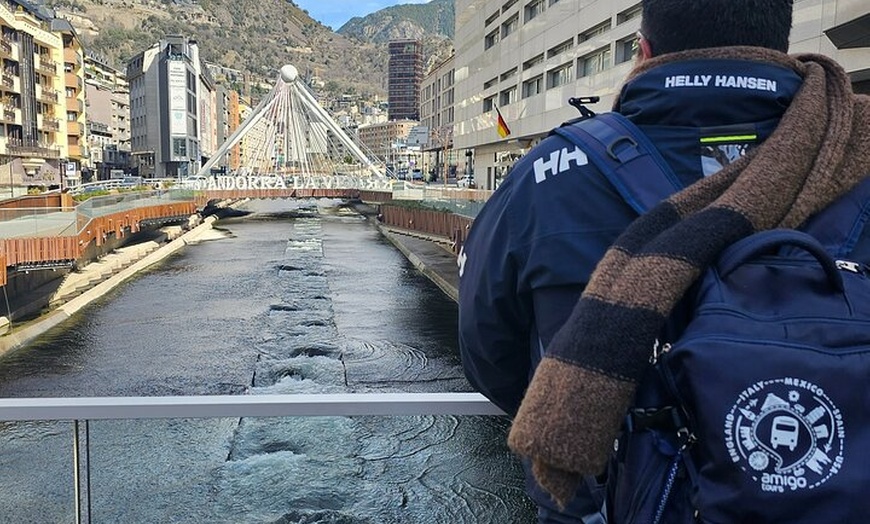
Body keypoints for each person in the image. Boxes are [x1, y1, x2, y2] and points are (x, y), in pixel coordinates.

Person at [457, 0, 870, 522]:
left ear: (644, 52)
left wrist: (585, 412)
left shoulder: (548, 176)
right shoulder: (857, 156)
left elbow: (486, 352)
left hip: (602, 500)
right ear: (780, 48)